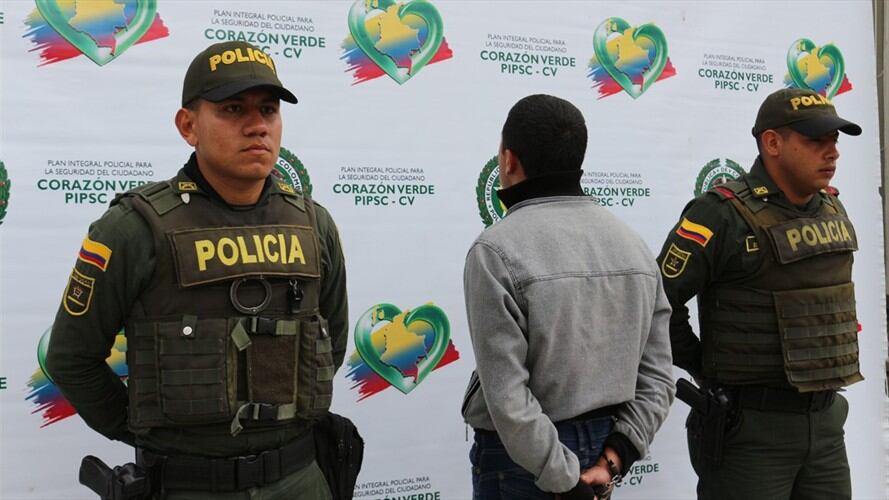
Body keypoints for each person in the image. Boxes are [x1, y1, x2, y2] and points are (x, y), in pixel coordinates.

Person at [45, 41, 348, 499]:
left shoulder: (313, 224)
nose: (257, 125)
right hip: (188, 485)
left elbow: (332, 340)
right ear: (189, 126)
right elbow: (72, 358)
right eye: (232, 109)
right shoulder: (134, 228)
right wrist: (146, 430)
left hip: (299, 479)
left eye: (268, 110)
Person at [461, 94, 675, 500]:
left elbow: (507, 395)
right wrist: (613, 457)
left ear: (508, 160)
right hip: (600, 450)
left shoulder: (495, 250)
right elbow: (659, 376)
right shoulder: (633, 246)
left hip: (522, 463)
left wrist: (563, 477)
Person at [656, 87, 863, 500]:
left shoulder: (832, 208)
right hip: (751, 431)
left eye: (834, 140)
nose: (833, 152)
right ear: (772, 143)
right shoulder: (721, 214)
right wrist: (703, 366)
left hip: (826, 426)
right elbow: (657, 301)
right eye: (816, 140)